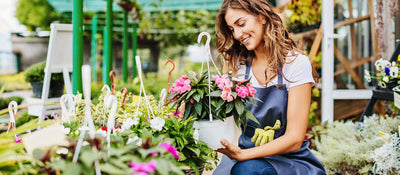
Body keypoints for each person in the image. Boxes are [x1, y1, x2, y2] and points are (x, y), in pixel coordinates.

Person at [212, 0, 326, 174]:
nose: (237, 34)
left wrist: (245, 155)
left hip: (289, 160)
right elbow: (221, 115)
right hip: (246, 155)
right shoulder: (238, 66)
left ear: (263, 17)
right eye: (232, 29)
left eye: (241, 24)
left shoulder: (294, 63)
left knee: (248, 171)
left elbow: (294, 138)